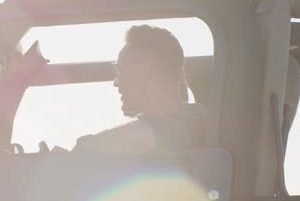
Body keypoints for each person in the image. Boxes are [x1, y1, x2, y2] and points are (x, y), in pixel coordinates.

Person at [74, 25, 206, 155]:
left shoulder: (196, 122)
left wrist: (75, 152)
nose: (115, 82)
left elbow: (138, 137)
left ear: (144, 70)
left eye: (119, 71)